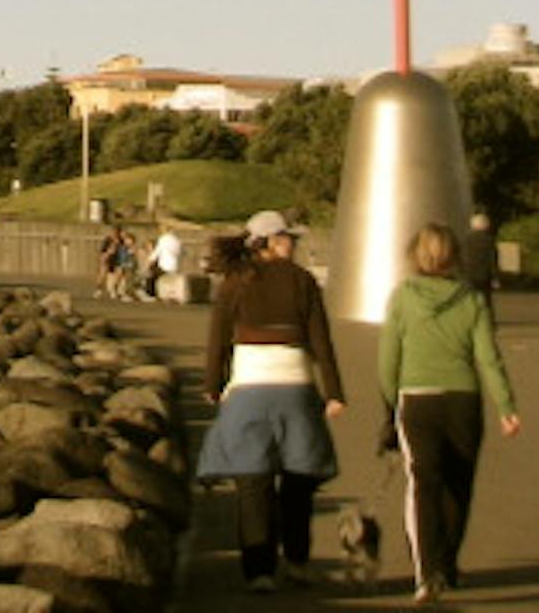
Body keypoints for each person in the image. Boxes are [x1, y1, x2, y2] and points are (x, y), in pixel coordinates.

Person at [197, 209, 345, 592]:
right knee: (299, 478)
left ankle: (259, 571)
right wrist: (334, 392)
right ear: (268, 242)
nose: (293, 244)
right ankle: (296, 561)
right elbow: (321, 342)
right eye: (287, 238)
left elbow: (218, 342)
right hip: (296, 388)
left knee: (252, 482)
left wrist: (213, 384)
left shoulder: (234, 283)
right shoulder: (303, 281)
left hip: (248, 389)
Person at [377, 219, 520, 605]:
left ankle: (428, 573)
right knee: (459, 485)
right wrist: (506, 405)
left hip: (417, 398)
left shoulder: (403, 297)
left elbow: (388, 357)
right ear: (454, 256)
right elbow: (488, 357)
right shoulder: (471, 299)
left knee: (424, 483)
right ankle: (448, 562)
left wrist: (391, 402)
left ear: (415, 256)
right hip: (463, 399)